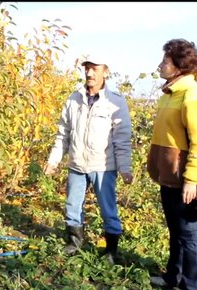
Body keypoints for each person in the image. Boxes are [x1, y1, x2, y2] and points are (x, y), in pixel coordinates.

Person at [43, 54, 133, 265]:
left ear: (105, 71)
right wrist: (53, 160)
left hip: (103, 166)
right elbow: (62, 133)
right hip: (76, 164)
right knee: (72, 205)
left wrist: (125, 168)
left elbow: (122, 138)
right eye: (87, 68)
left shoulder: (115, 102)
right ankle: (74, 243)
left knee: (108, 208)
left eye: (95, 68)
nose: (90, 73)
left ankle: (112, 251)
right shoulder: (73, 99)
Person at [147, 39, 197, 290]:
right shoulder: (170, 93)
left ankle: (191, 285)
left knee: (188, 235)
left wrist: (192, 180)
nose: (160, 65)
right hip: (168, 175)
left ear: (179, 65)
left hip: (183, 178)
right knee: (175, 230)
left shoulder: (193, 96)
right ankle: (172, 277)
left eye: (165, 61)